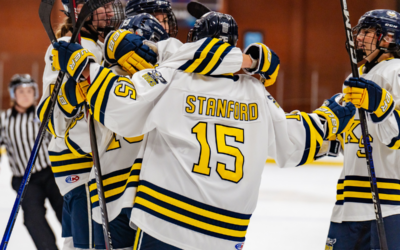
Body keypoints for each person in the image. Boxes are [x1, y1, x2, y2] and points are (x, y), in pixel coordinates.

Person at [51, 11, 357, 249]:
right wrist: (332, 117)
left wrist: (85, 70)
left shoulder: (174, 78)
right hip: (227, 232)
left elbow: (120, 107)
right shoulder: (256, 93)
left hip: (166, 220)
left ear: (193, 41)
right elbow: (293, 142)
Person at [37, 0, 125, 249]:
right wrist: (72, 93)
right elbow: (51, 118)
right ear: (79, 9)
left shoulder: (102, 47)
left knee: (76, 244)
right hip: (83, 168)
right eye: (101, 5)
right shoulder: (64, 47)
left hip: (99, 169)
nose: (109, 11)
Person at [324, 9, 400, 250]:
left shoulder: (395, 71)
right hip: (348, 204)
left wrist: (379, 103)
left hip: (388, 206)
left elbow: (396, 136)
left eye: (367, 32)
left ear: (388, 38)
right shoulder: (355, 77)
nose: (358, 38)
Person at [0, 74, 63, 250]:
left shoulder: (43, 113)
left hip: (50, 173)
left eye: (30, 91)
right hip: (25, 181)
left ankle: (77, 245)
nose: (26, 95)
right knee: (32, 219)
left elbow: (59, 139)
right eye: (21, 91)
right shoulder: (4, 121)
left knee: (66, 211)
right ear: (13, 94)